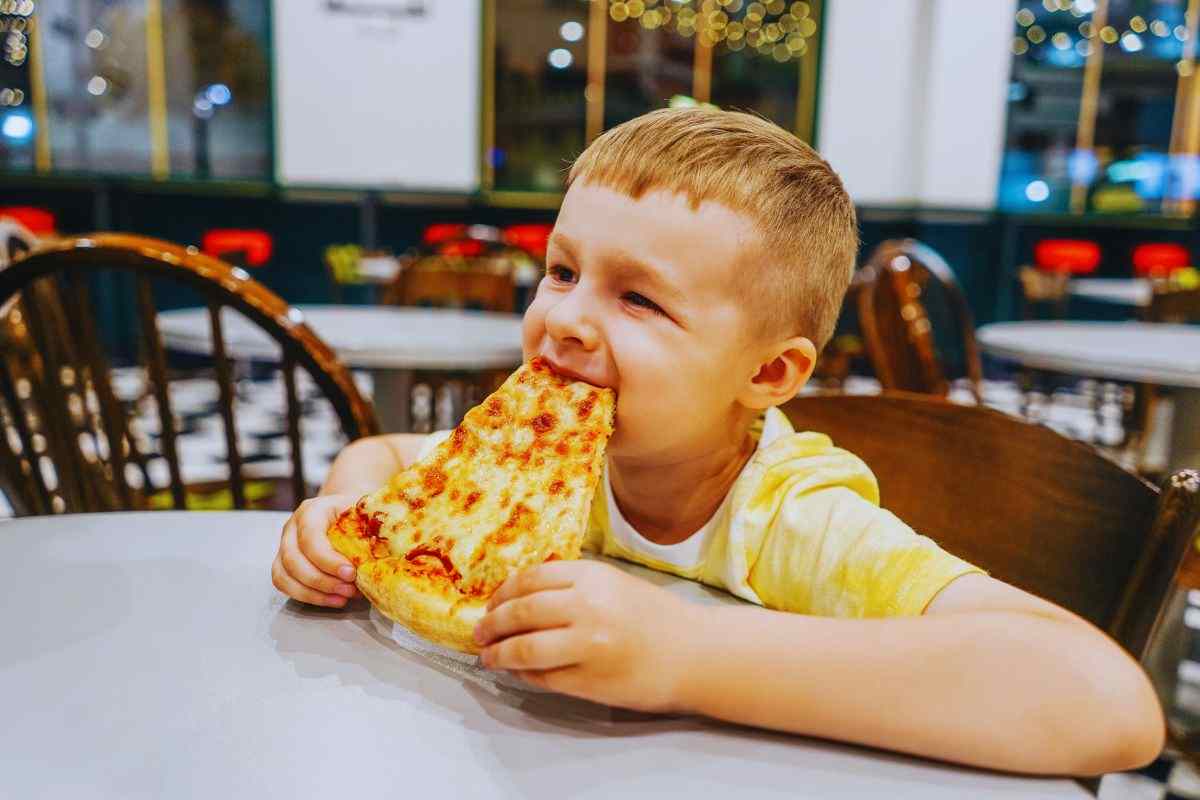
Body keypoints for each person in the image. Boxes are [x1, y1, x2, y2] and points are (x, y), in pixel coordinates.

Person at [271, 107, 1163, 775]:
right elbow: (390, 459)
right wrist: (350, 514)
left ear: (770, 376)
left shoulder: (790, 521)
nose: (566, 320)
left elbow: (1108, 704)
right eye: (562, 270)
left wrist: (681, 655)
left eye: (639, 299)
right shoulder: (536, 475)